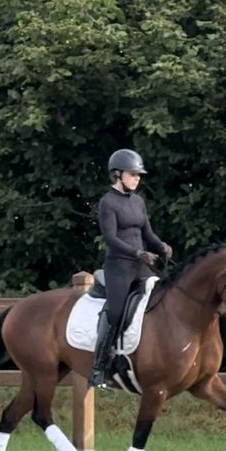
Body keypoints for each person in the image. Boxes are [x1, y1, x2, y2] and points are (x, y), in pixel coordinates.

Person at [90, 148, 173, 388]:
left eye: (139, 175)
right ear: (117, 174)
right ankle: (99, 368)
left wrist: (161, 246)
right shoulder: (108, 202)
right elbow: (111, 238)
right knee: (116, 312)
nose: (137, 178)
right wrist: (137, 253)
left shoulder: (138, 201)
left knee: (158, 303)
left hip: (142, 266)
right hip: (119, 267)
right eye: (133, 174)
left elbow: (147, 233)